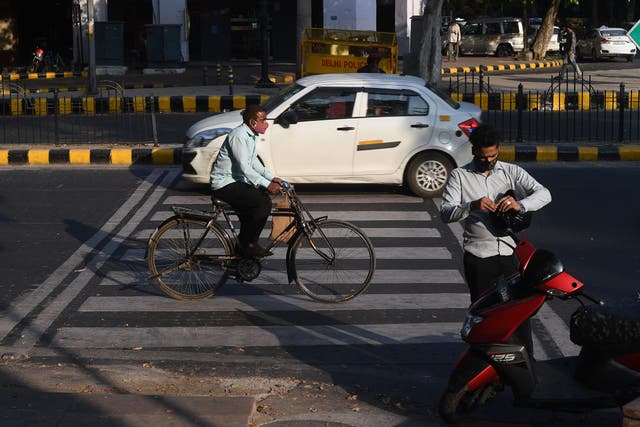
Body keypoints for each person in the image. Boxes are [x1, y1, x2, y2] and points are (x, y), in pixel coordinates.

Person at [440, 124, 552, 303]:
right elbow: (446, 214)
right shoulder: (459, 176)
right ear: (474, 151)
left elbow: (545, 194)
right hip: (479, 256)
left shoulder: (511, 171)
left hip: (509, 253)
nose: (488, 162)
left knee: (517, 309)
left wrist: (519, 204)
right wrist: (472, 206)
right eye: (483, 158)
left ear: (498, 150)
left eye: (493, 156)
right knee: (483, 310)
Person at [210, 104, 283, 258]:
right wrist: (268, 184)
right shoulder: (239, 136)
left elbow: (254, 162)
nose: (266, 124)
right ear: (252, 122)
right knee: (263, 202)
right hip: (224, 183)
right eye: (262, 120)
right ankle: (250, 245)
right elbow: (245, 167)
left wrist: (271, 177)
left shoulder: (250, 135)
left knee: (250, 215)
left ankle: (241, 254)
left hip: (235, 181)